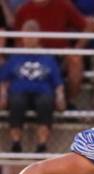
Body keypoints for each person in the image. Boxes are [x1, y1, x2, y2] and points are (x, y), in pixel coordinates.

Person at [0, 20, 65, 153]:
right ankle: (16, 143)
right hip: (19, 92)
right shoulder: (15, 56)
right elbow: (4, 80)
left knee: (45, 102)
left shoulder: (48, 57)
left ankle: (42, 144)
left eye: (33, 35)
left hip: (42, 92)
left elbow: (57, 83)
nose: (29, 38)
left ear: (39, 36)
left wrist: (60, 97)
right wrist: (3, 95)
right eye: (26, 35)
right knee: (17, 102)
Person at [14, 0, 87, 108]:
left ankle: (66, 102)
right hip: (34, 57)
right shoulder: (24, 9)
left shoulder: (63, 5)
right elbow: (17, 39)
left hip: (60, 56)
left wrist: (76, 49)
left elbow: (86, 27)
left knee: (75, 60)